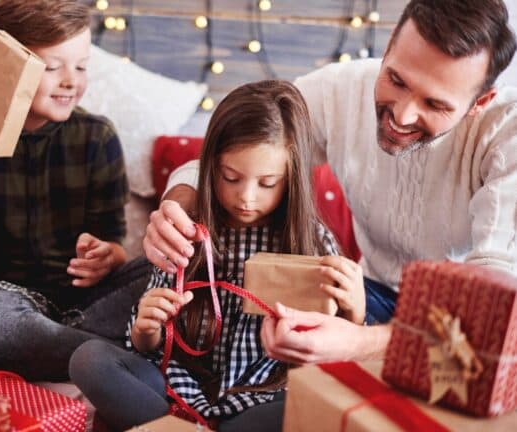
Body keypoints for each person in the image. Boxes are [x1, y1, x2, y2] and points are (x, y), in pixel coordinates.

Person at [143, 0, 517, 364]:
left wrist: (362, 343)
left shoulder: (507, 134)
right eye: (396, 79)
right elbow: (246, 143)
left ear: (481, 101)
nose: (401, 115)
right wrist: (178, 201)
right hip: (370, 293)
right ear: (388, 47)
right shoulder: (340, 88)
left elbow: (495, 312)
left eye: (434, 105)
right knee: (159, 280)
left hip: (454, 319)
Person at [70, 80, 365, 431]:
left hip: (265, 395)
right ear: (211, 167)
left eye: (268, 183)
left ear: (292, 179)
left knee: (309, 405)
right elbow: (146, 345)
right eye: (230, 177)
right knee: (89, 359)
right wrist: (145, 327)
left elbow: (338, 355)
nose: (246, 198)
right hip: (178, 389)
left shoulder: (312, 242)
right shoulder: (188, 233)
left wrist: (355, 313)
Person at [0, 0, 150, 381]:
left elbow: (117, 248)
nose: (71, 80)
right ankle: (118, 360)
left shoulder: (97, 137)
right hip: (6, 302)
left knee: (170, 269)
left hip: (90, 302)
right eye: (52, 67)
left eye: (81, 66)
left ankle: (93, 353)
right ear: (6, 65)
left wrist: (106, 256)